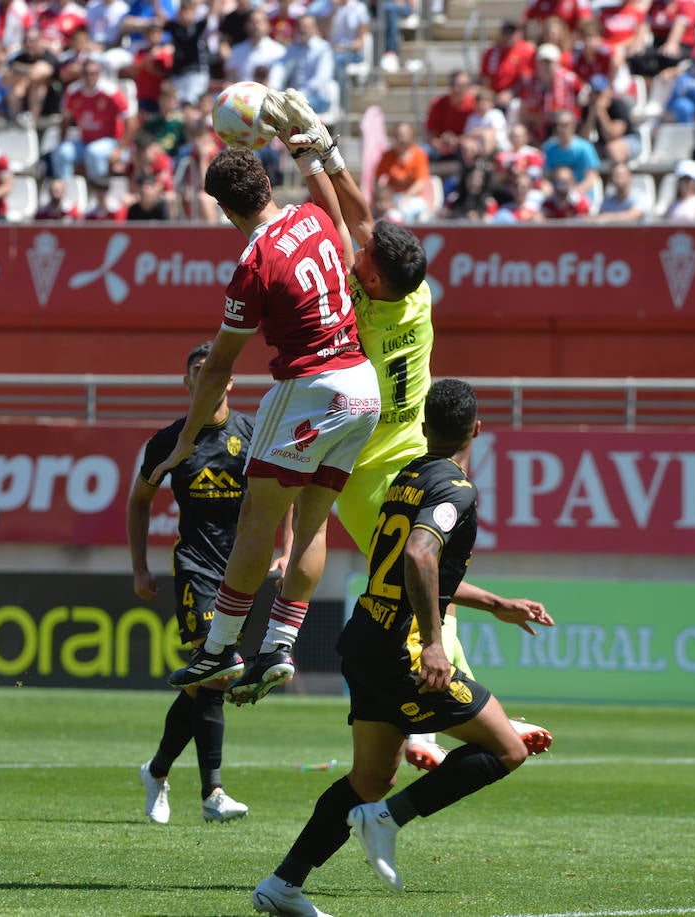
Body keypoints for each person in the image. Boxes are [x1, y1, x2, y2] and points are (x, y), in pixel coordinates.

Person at [289, 87, 551, 766]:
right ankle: (456, 706)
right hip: (419, 449)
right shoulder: (413, 293)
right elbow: (366, 224)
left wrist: (309, 159)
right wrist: (325, 149)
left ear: (372, 285)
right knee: (434, 582)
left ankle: (432, 720)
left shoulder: (366, 313)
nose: (356, 260)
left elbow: (337, 221)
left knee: (422, 583)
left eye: (362, 266)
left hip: (368, 463)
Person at [250, 379, 556, 917]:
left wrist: (495, 603)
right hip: (402, 650)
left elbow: (411, 566)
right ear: (477, 430)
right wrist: (436, 643)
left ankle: (283, 884)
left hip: (366, 638)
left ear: (422, 427)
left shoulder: (407, 475)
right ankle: (387, 819)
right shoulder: (456, 488)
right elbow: (419, 556)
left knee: (369, 778)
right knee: (507, 749)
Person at [157, 137, 382, 702]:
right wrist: (312, 157)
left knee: (257, 520)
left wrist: (185, 441)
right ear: (265, 184)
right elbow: (336, 215)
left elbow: (216, 371)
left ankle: (218, 650)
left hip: (310, 387)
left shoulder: (254, 263)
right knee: (313, 522)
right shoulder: (310, 217)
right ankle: (279, 647)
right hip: (362, 387)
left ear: (224, 208)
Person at [128, 343, 275, 826]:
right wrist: (140, 567)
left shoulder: (253, 434)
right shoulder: (169, 442)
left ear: (229, 380)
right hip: (197, 567)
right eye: (199, 370)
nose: (209, 377)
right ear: (189, 382)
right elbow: (139, 502)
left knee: (202, 683)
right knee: (215, 672)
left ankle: (157, 770)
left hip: (244, 571)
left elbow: (286, 494)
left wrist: (288, 549)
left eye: (218, 370)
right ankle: (212, 791)